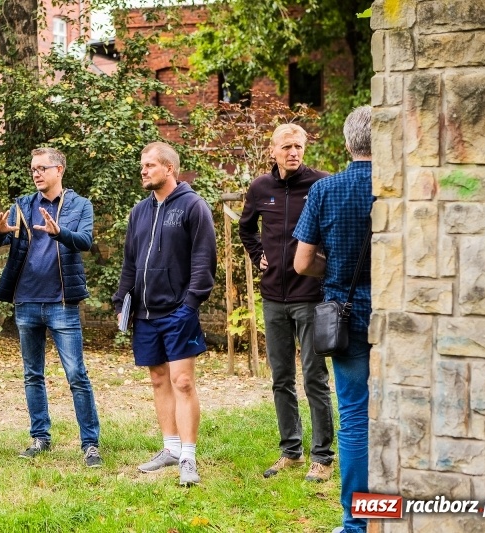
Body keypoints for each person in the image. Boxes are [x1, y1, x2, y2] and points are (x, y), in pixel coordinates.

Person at [0, 147, 102, 468]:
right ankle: (40, 437)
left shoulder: (79, 205)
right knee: (32, 374)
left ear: (59, 170)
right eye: (33, 168)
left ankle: (90, 444)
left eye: (42, 168)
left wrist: (59, 232)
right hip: (26, 302)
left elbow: (85, 240)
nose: (36, 173)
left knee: (77, 375)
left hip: (62, 305)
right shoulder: (23, 205)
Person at [113, 141, 217, 486]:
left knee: (183, 381)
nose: (143, 171)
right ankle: (170, 449)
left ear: (169, 169)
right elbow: (130, 262)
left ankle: (188, 456)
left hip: (178, 311)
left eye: (149, 166)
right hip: (144, 313)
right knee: (158, 379)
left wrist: (191, 304)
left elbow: (204, 261)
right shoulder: (139, 211)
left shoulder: (193, 206)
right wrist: (121, 301)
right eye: (142, 166)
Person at [293, 106, 374, 533]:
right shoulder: (401, 186)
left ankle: (358, 523)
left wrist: (337, 267)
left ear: (347, 143)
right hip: (399, 315)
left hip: (346, 317)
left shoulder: (326, 190)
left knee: (356, 416)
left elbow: (302, 262)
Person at [238, 123, 335, 482]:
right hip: (273, 297)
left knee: (315, 378)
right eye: (287, 146)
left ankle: (322, 458)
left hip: (310, 296)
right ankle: (290, 452)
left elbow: (336, 229)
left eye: (299, 146)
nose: (293, 152)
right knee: (281, 378)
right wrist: (257, 255)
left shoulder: (322, 184)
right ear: (273, 151)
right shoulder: (261, 188)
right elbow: (246, 228)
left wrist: (325, 265)